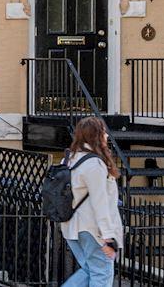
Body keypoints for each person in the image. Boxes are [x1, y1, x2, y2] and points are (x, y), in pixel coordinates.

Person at [59, 116, 124, 287]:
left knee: (90, 270)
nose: (107, 136)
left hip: (70, 227)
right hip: (91, 230)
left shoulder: (68, 159)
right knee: (102, 273)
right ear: (97, 136)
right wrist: (109, 237)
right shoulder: (94, 164)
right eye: (104, 133)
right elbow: (100, 203)